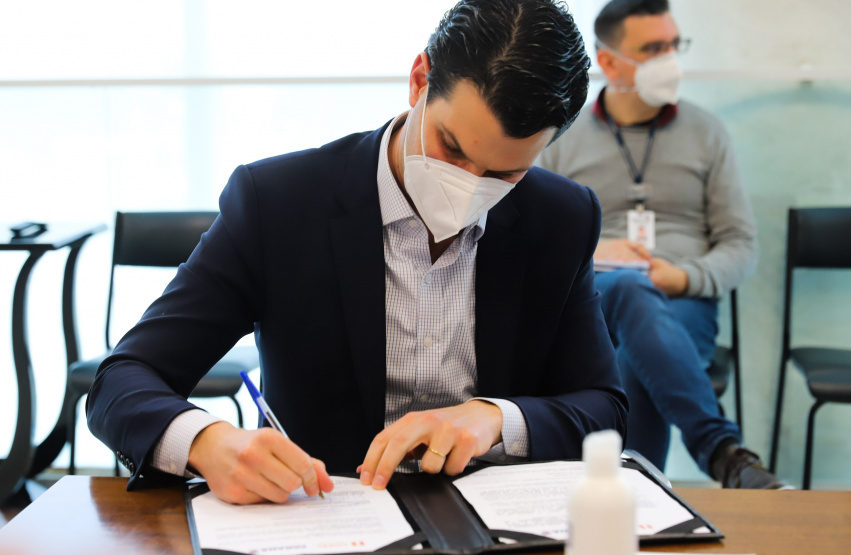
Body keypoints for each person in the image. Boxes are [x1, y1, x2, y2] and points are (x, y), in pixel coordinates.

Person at [87, 0, 628, 506]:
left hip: (494, 518)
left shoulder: (561, 217)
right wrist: (205, 439)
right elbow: (122, 379)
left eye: (504, 174)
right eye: (452, 149)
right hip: (323, 514)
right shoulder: (279, 203)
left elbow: (603, 408)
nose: (467, 186)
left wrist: (494, 418)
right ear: (420, 80)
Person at [539, 0, 787, 488]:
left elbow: (740, 244)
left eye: (674, 45)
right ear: (607, 61)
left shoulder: (707, 132)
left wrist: (684, 277)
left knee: (635, 359)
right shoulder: (561, 138)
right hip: (594, 300)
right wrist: (592, 254)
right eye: (653, 48)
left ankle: (632, 494)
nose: (669, 59)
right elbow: (533, 243)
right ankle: (723, 453)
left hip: (683, 301)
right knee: (629, 290)